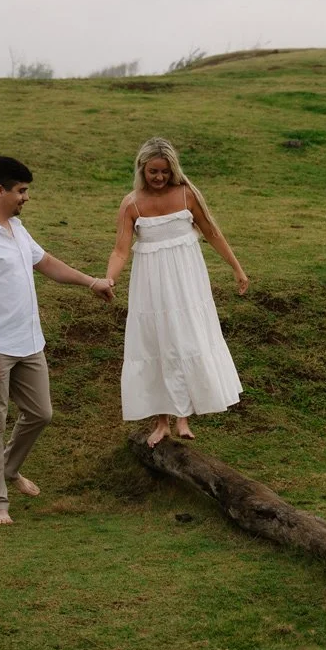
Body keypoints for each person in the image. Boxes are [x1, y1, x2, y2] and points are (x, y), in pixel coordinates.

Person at [0, 156, 114, 525]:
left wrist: (91, 282)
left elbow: (46, 264)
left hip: (28, 343)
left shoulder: (16, 228)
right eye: (21, 191)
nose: (26, 197)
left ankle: (8, 469)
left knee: (41, 413)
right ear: (0, 190)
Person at [106, 137, 249, 447]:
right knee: (157, 343)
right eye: (153, 172)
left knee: (187, 339)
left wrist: (237, 268)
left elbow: (212, 232)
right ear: (141, 169)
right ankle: (162, 422)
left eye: (165, 172)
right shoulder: (131, 204)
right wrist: (109, 279)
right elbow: (120, 250)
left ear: (173, 170)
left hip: (186, 282)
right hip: (151, 285)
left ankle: (183, 416)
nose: (159, 178)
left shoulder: (187, 195)